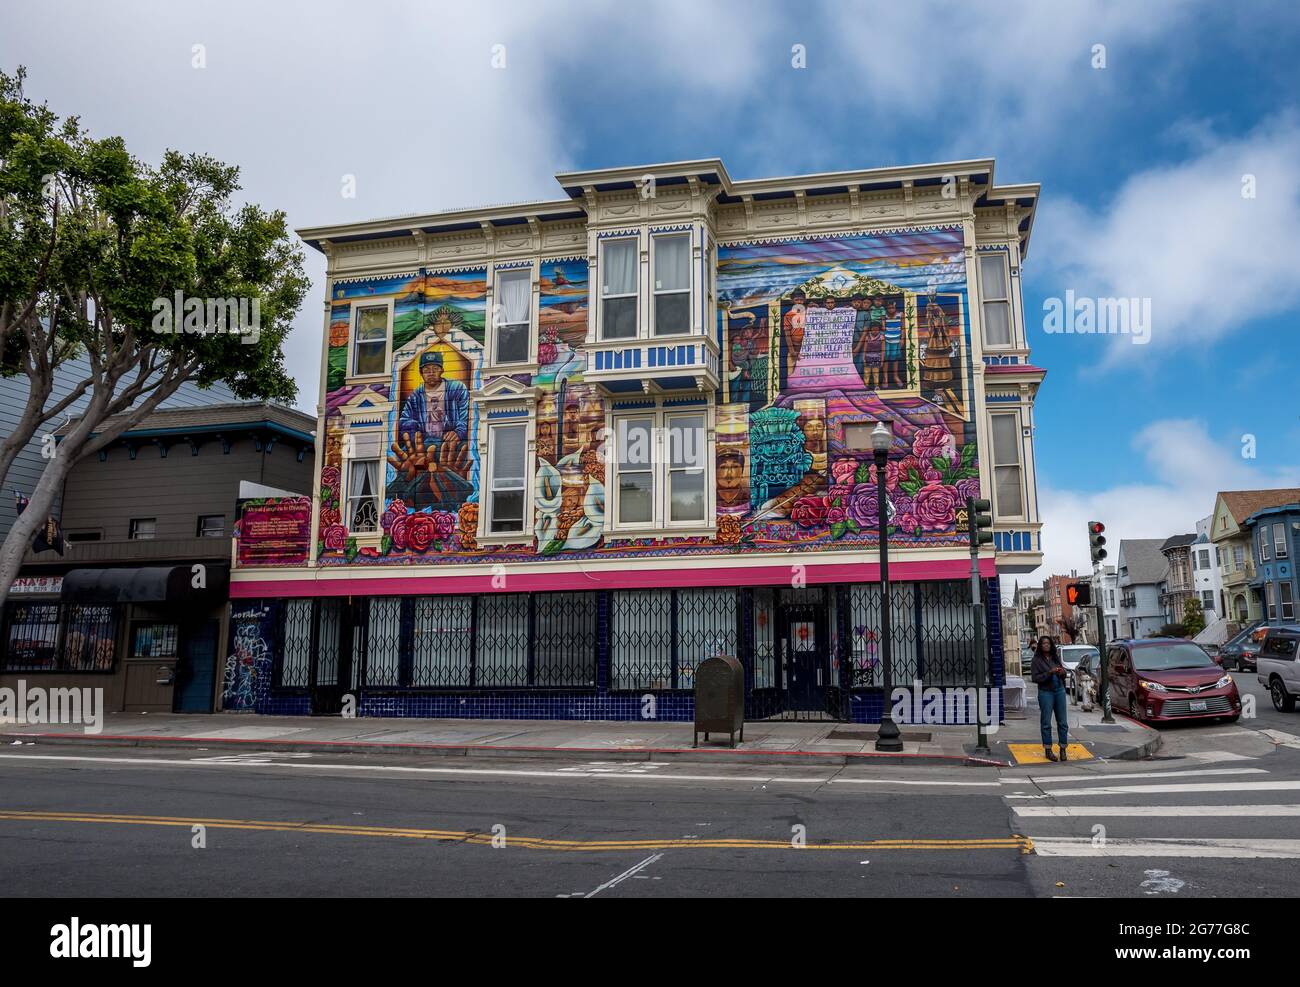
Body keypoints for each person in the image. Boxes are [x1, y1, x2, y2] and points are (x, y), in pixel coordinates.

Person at [1030, 635, 1070, 761]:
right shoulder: (1036, 660)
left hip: (1059, 690)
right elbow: (1035, 678)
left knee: (1062, 722)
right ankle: (1048, 749)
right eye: (1043, 643)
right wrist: (1049, 673)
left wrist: (1062, 673)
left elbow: (1063, 673)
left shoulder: (1055, 657)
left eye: (1048, 643)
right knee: (1046, 722)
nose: (1046, 645)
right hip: (1045, 692)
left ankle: (1063, 748)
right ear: (1040, 646)